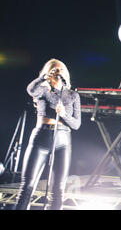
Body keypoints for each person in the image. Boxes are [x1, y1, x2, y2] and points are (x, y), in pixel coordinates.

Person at [15, 59, 81, 210]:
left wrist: (64, 114)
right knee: (27, 187)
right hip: (41, 137)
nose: (58, 72)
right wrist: (43, 78)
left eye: (61, 70)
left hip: (63, 140)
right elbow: (30, 90)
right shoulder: (42, 90)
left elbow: (76, 124)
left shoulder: (72, 95)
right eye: (54, 70)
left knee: (58, 190)